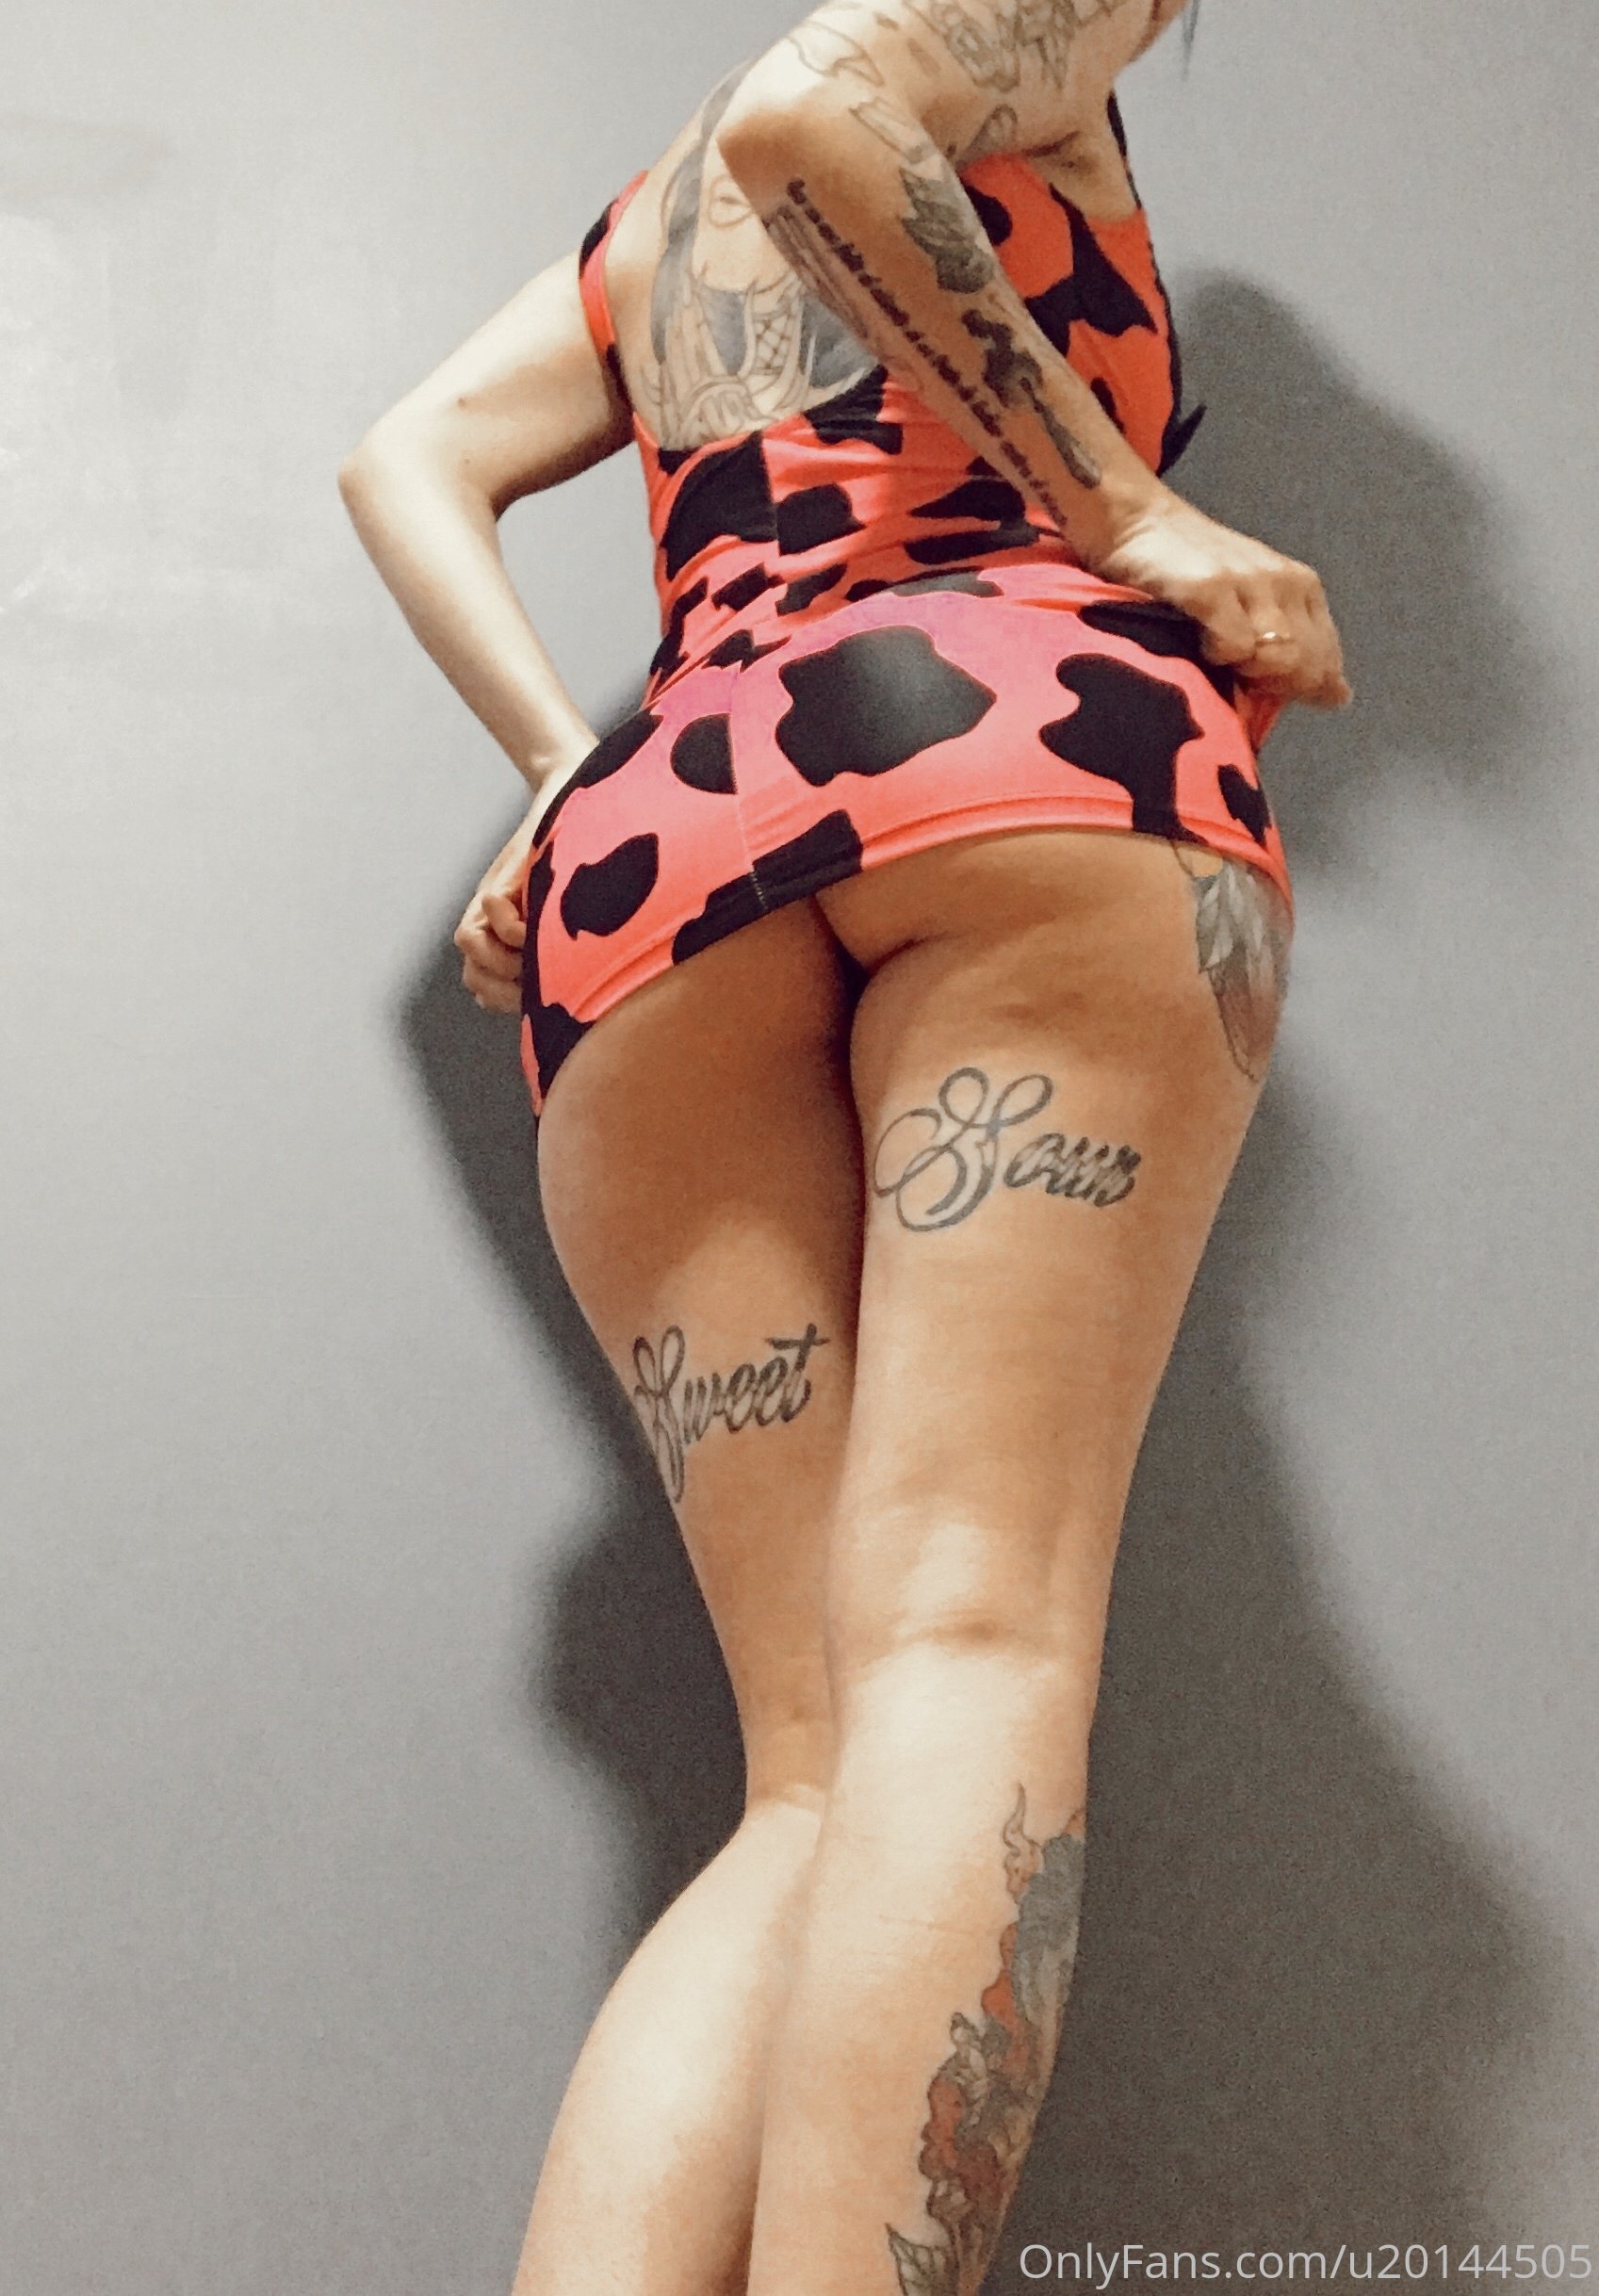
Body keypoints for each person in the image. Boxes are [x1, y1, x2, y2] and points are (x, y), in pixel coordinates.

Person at [338, 1, 1351, 2288]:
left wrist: (560, 776)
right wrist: (1138, 509)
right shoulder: (1047, 23)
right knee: (967, 1640)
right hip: (1016, 731)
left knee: (808, 1777)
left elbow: (405, 455)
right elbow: (829, 109)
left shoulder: (644, 213)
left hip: (662, 845)